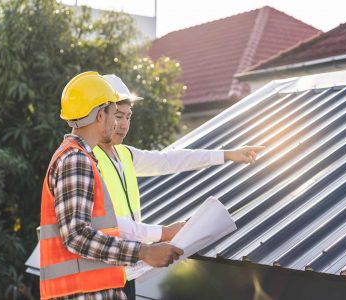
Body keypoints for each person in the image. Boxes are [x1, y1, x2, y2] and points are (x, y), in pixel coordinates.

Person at [93, 74, 265, 300]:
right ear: (101, 115)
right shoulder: (88, 159)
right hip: (101, 276)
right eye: (118, 115)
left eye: (128, 116)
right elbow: (106, 222)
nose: (123, 124)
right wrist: (163, 233)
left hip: (125, 272)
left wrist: (226, 154)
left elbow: (170, 160)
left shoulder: (124, 154)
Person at [39, 71, 183, 300]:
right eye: (114, 114)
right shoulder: (76, 160)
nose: (117, 122)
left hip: (90, 290)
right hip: (81, 293)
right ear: (100, 116)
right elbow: (76, 235)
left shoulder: (80, 158)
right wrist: (143, 251)